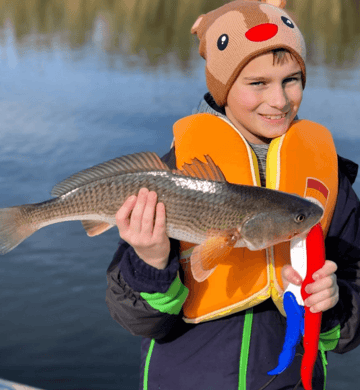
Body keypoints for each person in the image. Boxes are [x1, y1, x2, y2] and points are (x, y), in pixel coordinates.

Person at [106, 1, 360, 389]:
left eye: (292, 80)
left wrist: (333, 303)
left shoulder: (328, 181)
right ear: (223, 87)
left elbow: (348, 329)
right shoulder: (175, 174)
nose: (279, 100)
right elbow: (137, 319)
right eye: (257, 84)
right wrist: (150, 261)